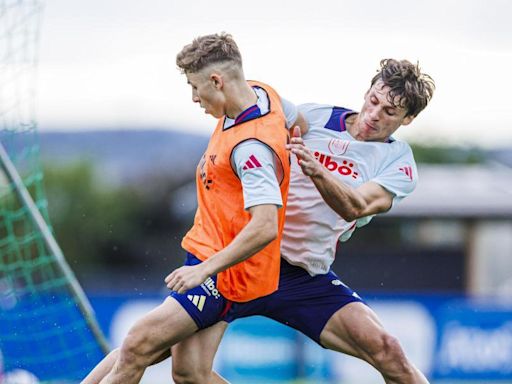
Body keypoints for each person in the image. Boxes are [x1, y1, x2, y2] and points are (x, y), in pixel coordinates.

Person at [85, 58, 435, 383]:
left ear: (407, 120)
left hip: (303, 276)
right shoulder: (314, 118)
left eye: (389, 111)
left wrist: (317, 172)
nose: (374, 114)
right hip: (246, 259)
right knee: (175, 363)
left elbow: (356, 206)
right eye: (373, 100)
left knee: (388, 350)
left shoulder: (398, 163)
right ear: (367, 91)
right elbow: (261, 112)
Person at [82, 32, 299, 384]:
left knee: (137, 343)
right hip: (207, 261)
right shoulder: (264, 94)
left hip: (222, 275)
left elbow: (265, 226)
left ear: (218, 80)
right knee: (189, 374)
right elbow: (297, 121)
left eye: (195, 87)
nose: (194, 98)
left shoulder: (252, 150)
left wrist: (205, 271)